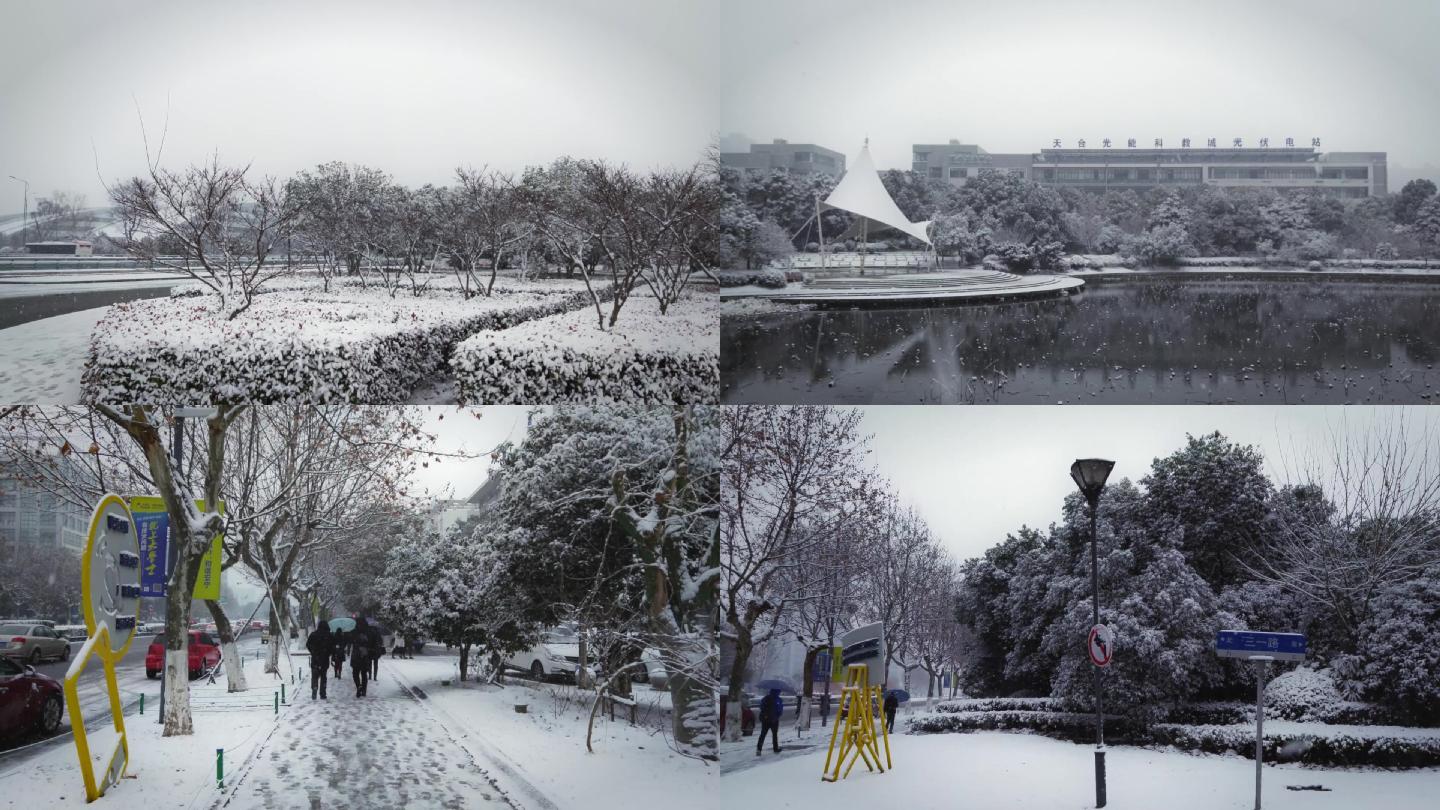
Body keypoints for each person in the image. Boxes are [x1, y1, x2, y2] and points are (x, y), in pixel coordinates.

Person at [306, 621, 333, 700]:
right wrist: (328, 653)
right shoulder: (328, 635)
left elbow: (308, 644)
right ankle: (323, 693)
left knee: (314, 676)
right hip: (324, 659)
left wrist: (313, 652)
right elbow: (332, 646)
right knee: (323, 676)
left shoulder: (313, 634)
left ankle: (314, 688)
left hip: (315, 659)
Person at [755, 688, 783, 756]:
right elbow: (780, 710)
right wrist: (777, 715)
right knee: (774, 735)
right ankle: (775, 748)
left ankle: (759, 749)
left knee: (763, 734)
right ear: (778, 692)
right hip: (774, 720)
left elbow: (761, 706)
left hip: (765, 720)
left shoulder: (766, 698)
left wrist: (765, 715)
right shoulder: (778, 699)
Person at [350, 617, 373, 697]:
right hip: (365, 655)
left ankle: (358, 685)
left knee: (355, 673)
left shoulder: (354, 631)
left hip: (356, 655)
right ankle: (364, 690)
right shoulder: (369, 631)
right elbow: (371, 642)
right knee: (364, 673)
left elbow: (350, 640)